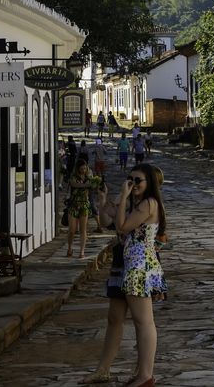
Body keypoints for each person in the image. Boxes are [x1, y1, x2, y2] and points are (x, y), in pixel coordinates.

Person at [84, 163, 167, 387]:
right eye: (130, 178)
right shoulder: (136, 203)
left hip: (139, 265)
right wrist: (104, 201)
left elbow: (120, 227)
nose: (132, 183)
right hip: (129, 263)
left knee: (144, 322)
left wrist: (123, 196)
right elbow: (107, 222)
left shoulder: (149, 203)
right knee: (117, 318)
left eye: (138, 180)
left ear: (149, 182)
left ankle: (145, 375)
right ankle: (116, 372)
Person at [66, 160, 103, 258]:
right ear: (77, 169)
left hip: (84, 205)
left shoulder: (89, 178)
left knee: (83, 230)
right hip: (74, 204)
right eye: (81, 169)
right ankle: (70, 247)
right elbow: (74, 184)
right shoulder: (74, 176)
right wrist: (87, 185)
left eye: (85, 168)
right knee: (72, 230)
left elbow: (93, 189)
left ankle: (82, 251)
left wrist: (96, 186)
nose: (83, 170)